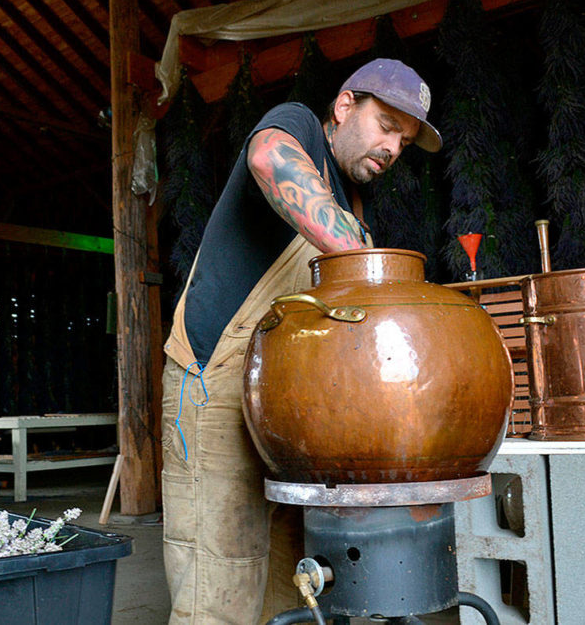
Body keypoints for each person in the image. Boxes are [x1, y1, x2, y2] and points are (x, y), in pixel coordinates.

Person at [161, 58, 442, 623]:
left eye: (404, 142)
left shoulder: (354, 205)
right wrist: (367, 263)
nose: (392, 148)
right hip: (215, 387)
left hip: (287, 406)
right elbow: (269, 158)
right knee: (220, 584)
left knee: (297, 583)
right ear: (344, 107)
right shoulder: (299, 130)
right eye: (386, 125)